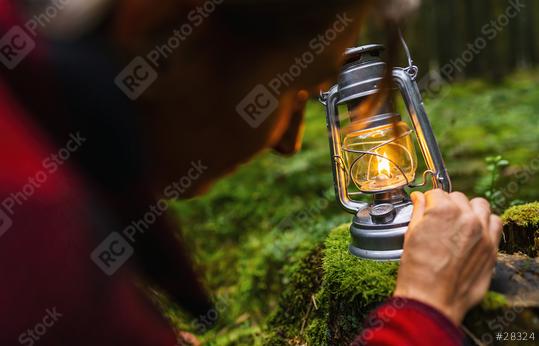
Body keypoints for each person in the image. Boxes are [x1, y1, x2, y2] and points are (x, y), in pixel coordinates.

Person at [0, 0, 502, 345]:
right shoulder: (43, 251)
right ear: (163, 33)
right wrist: (425, 308)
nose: (289, 144)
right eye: (296, 92)